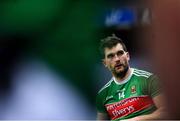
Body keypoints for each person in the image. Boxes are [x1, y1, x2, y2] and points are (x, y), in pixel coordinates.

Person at [96, 34, 166, 120]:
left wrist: (138, 120)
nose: (117, 59)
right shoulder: (102, 94)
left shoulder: (148, 80)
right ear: (105, 63)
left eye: (120, 53)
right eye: (111, 56)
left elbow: (166, 112)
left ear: (128, 56)